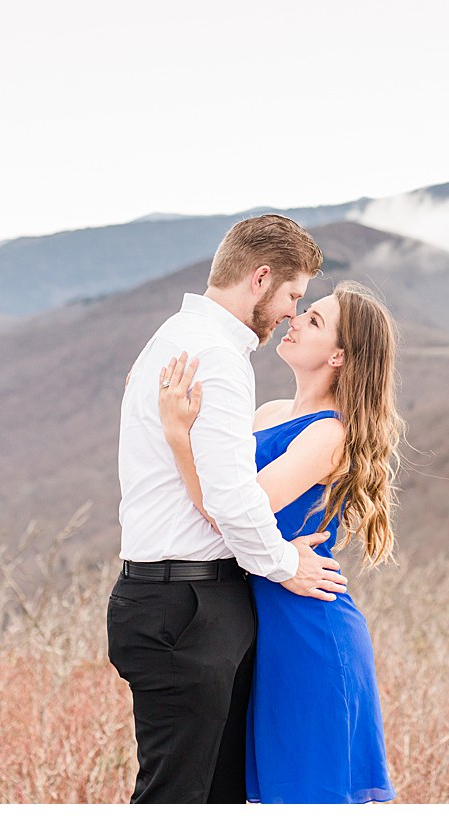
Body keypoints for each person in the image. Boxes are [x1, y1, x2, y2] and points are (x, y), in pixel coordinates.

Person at [107, 214, 349, 804]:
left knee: (208, 792)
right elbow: (232, 499)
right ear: (261, 278)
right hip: (185, 606)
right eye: (294, 296)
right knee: (177, 795)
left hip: (183, 600)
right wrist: (285, 563)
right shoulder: (215, 355)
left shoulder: (174, 337)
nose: (292, 312)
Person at [158, 279, 401, 804]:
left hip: (307, 628)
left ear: (339, 356)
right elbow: (215, 476)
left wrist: (179, 438)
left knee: (304, 794)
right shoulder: (269, 413)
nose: (295, 319)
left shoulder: (329, 435)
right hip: (261, 622)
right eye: (303, 310)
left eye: (313, 320)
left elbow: (228, 511)